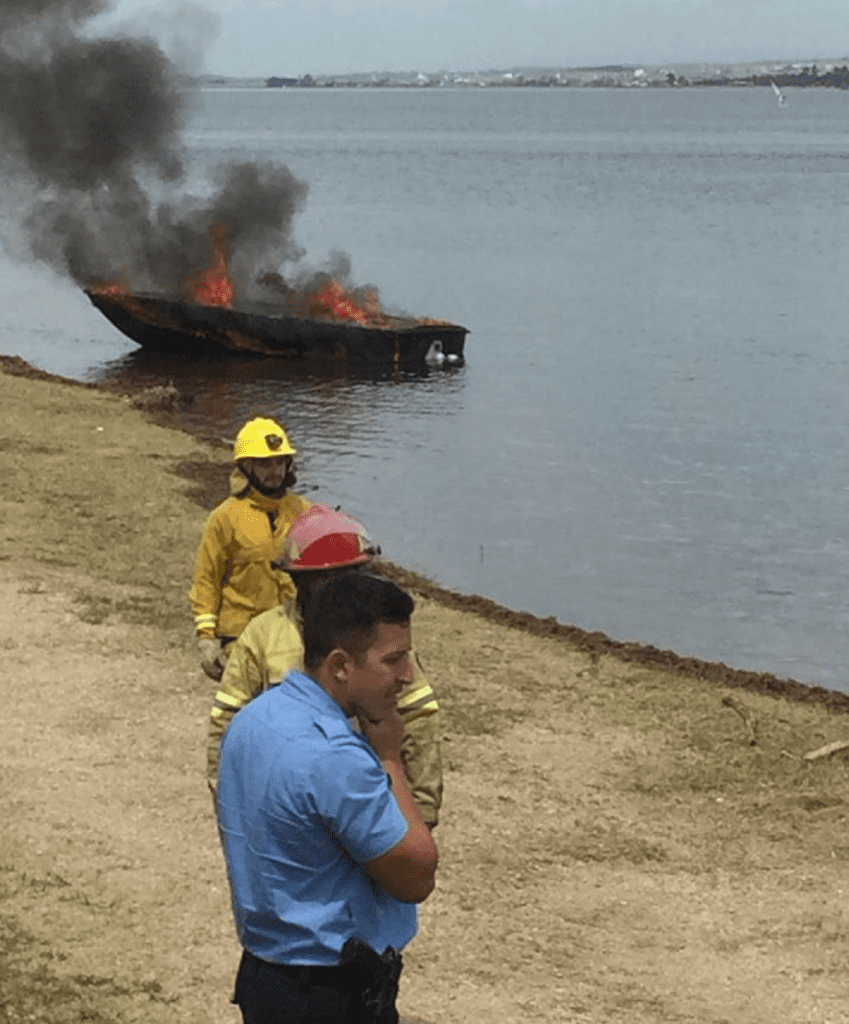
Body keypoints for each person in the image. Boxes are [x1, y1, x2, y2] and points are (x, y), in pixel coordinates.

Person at [217, 572, 439, 1024]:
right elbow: (416, 875)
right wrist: (390, 758)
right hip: (332, 993)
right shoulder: (335, 758)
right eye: (393, 660)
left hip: (265, 973)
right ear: (339, 665)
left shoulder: (255, 718)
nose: (407, 675)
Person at [207, 504, 443, 829]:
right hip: (287, 808)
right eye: (324, 579)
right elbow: (227, 723)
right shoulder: (264, 636)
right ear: (298, 579)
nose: (338, 588)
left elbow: (419, 719)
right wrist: (231, 807)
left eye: (348, 575)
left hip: (370, 807)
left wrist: (422, 813)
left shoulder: (381, 642)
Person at [188, 416, 312, 681]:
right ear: (245, 466)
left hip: (293, 631)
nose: (274, 471)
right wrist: (207, 638)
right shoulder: (225, 517)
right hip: (242, 637)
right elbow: (207, 579)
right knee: (246, 713)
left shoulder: (302, 510)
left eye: (280, 462)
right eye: (265, 463)